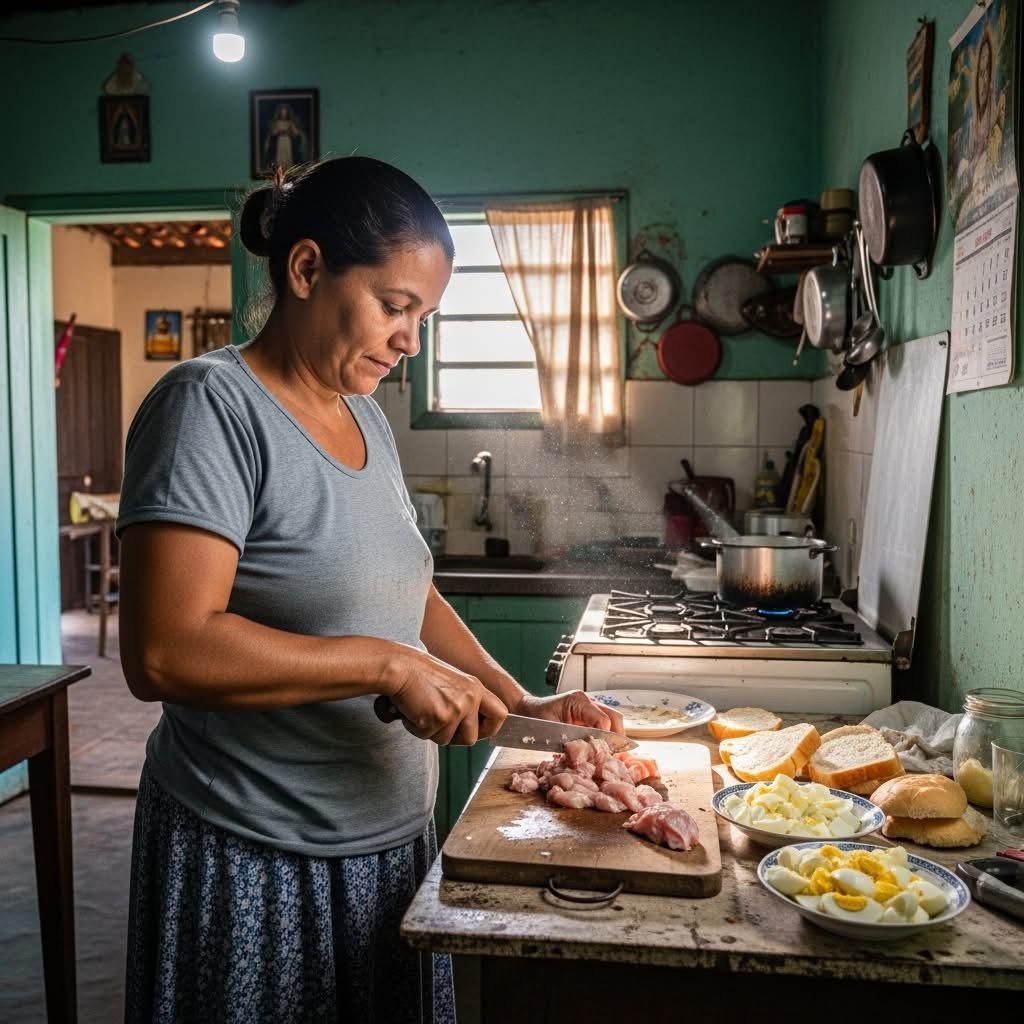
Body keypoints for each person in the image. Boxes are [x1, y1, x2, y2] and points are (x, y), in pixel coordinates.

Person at [116, 154, 623, 1024]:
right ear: (306, 268)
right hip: (256, 852)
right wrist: (388, 667)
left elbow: (409, 593)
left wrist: (521, 703)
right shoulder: (209, 406)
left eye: (424, 317)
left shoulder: (364, 417)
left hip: (388, 844)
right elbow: (165, 650)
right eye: (395, 306)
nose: (410, 340)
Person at [264, 102, 305, 172]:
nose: (284, 114)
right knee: (280, 156)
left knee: (287, 155)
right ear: (280, 113)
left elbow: (296, 133)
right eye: (282, 112)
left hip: (287, 140)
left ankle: (288, 170)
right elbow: (273, 133)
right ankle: (280, 170)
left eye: (285, 112)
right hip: (280, 141)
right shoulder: (277, 122)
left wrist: (290, 132)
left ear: (287, 113)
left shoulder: (290, 122)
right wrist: (278, 132)